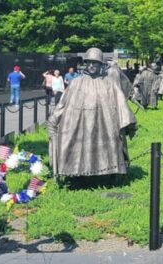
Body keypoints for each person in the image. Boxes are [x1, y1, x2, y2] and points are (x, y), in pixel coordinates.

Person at [47, 48, 137, 177]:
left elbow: (121, 104)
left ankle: (108, 173)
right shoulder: (75, 83)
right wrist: (54, 119)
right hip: (80, 125)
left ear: (101, 65)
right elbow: (63, 104)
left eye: (95, 63)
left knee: (107, 147)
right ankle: (76, 173)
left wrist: (129, 122)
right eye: (89, 62)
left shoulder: (109, 84)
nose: (91, 65)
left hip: (104, 126)